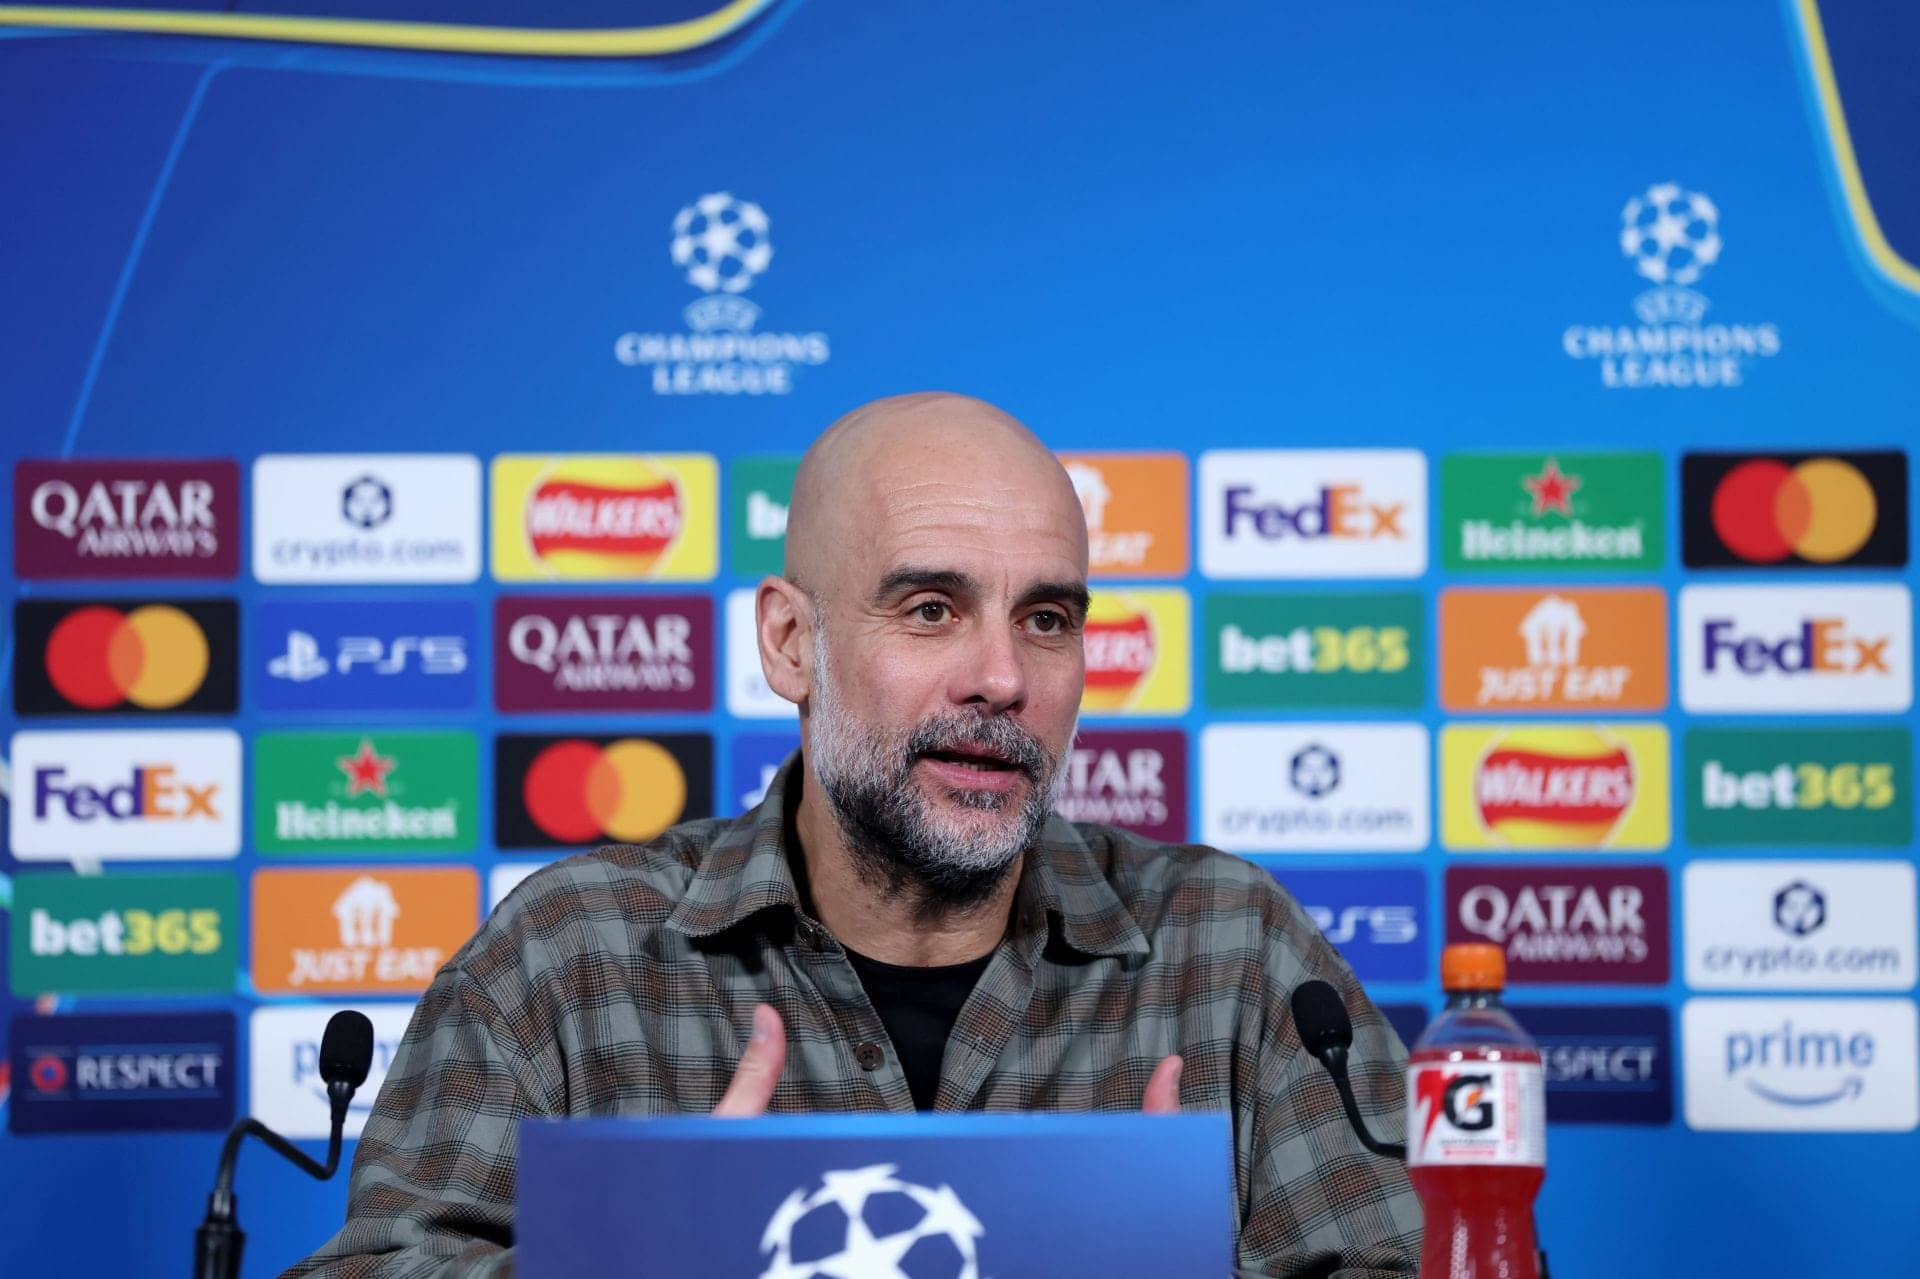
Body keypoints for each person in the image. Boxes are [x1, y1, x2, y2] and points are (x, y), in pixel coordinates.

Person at [286, 392, 1421, 1277]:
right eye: (930, 608)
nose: (1002, 676)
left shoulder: (1231, 948)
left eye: (1047, 618)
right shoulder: (572, 957)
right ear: (791, 643)